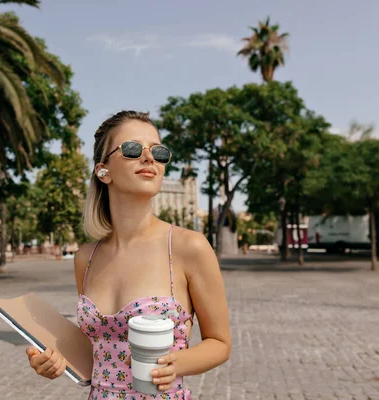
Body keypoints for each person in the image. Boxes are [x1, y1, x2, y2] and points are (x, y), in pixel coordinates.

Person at [26, 111, 231, 399]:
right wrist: (53, 359)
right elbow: (94, 350)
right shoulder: (86, 257)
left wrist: (176, 364)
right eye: (133, 149)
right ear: (103, 170)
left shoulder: (188, 247)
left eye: (158, 152)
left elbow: (220, 342)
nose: (149, 158)